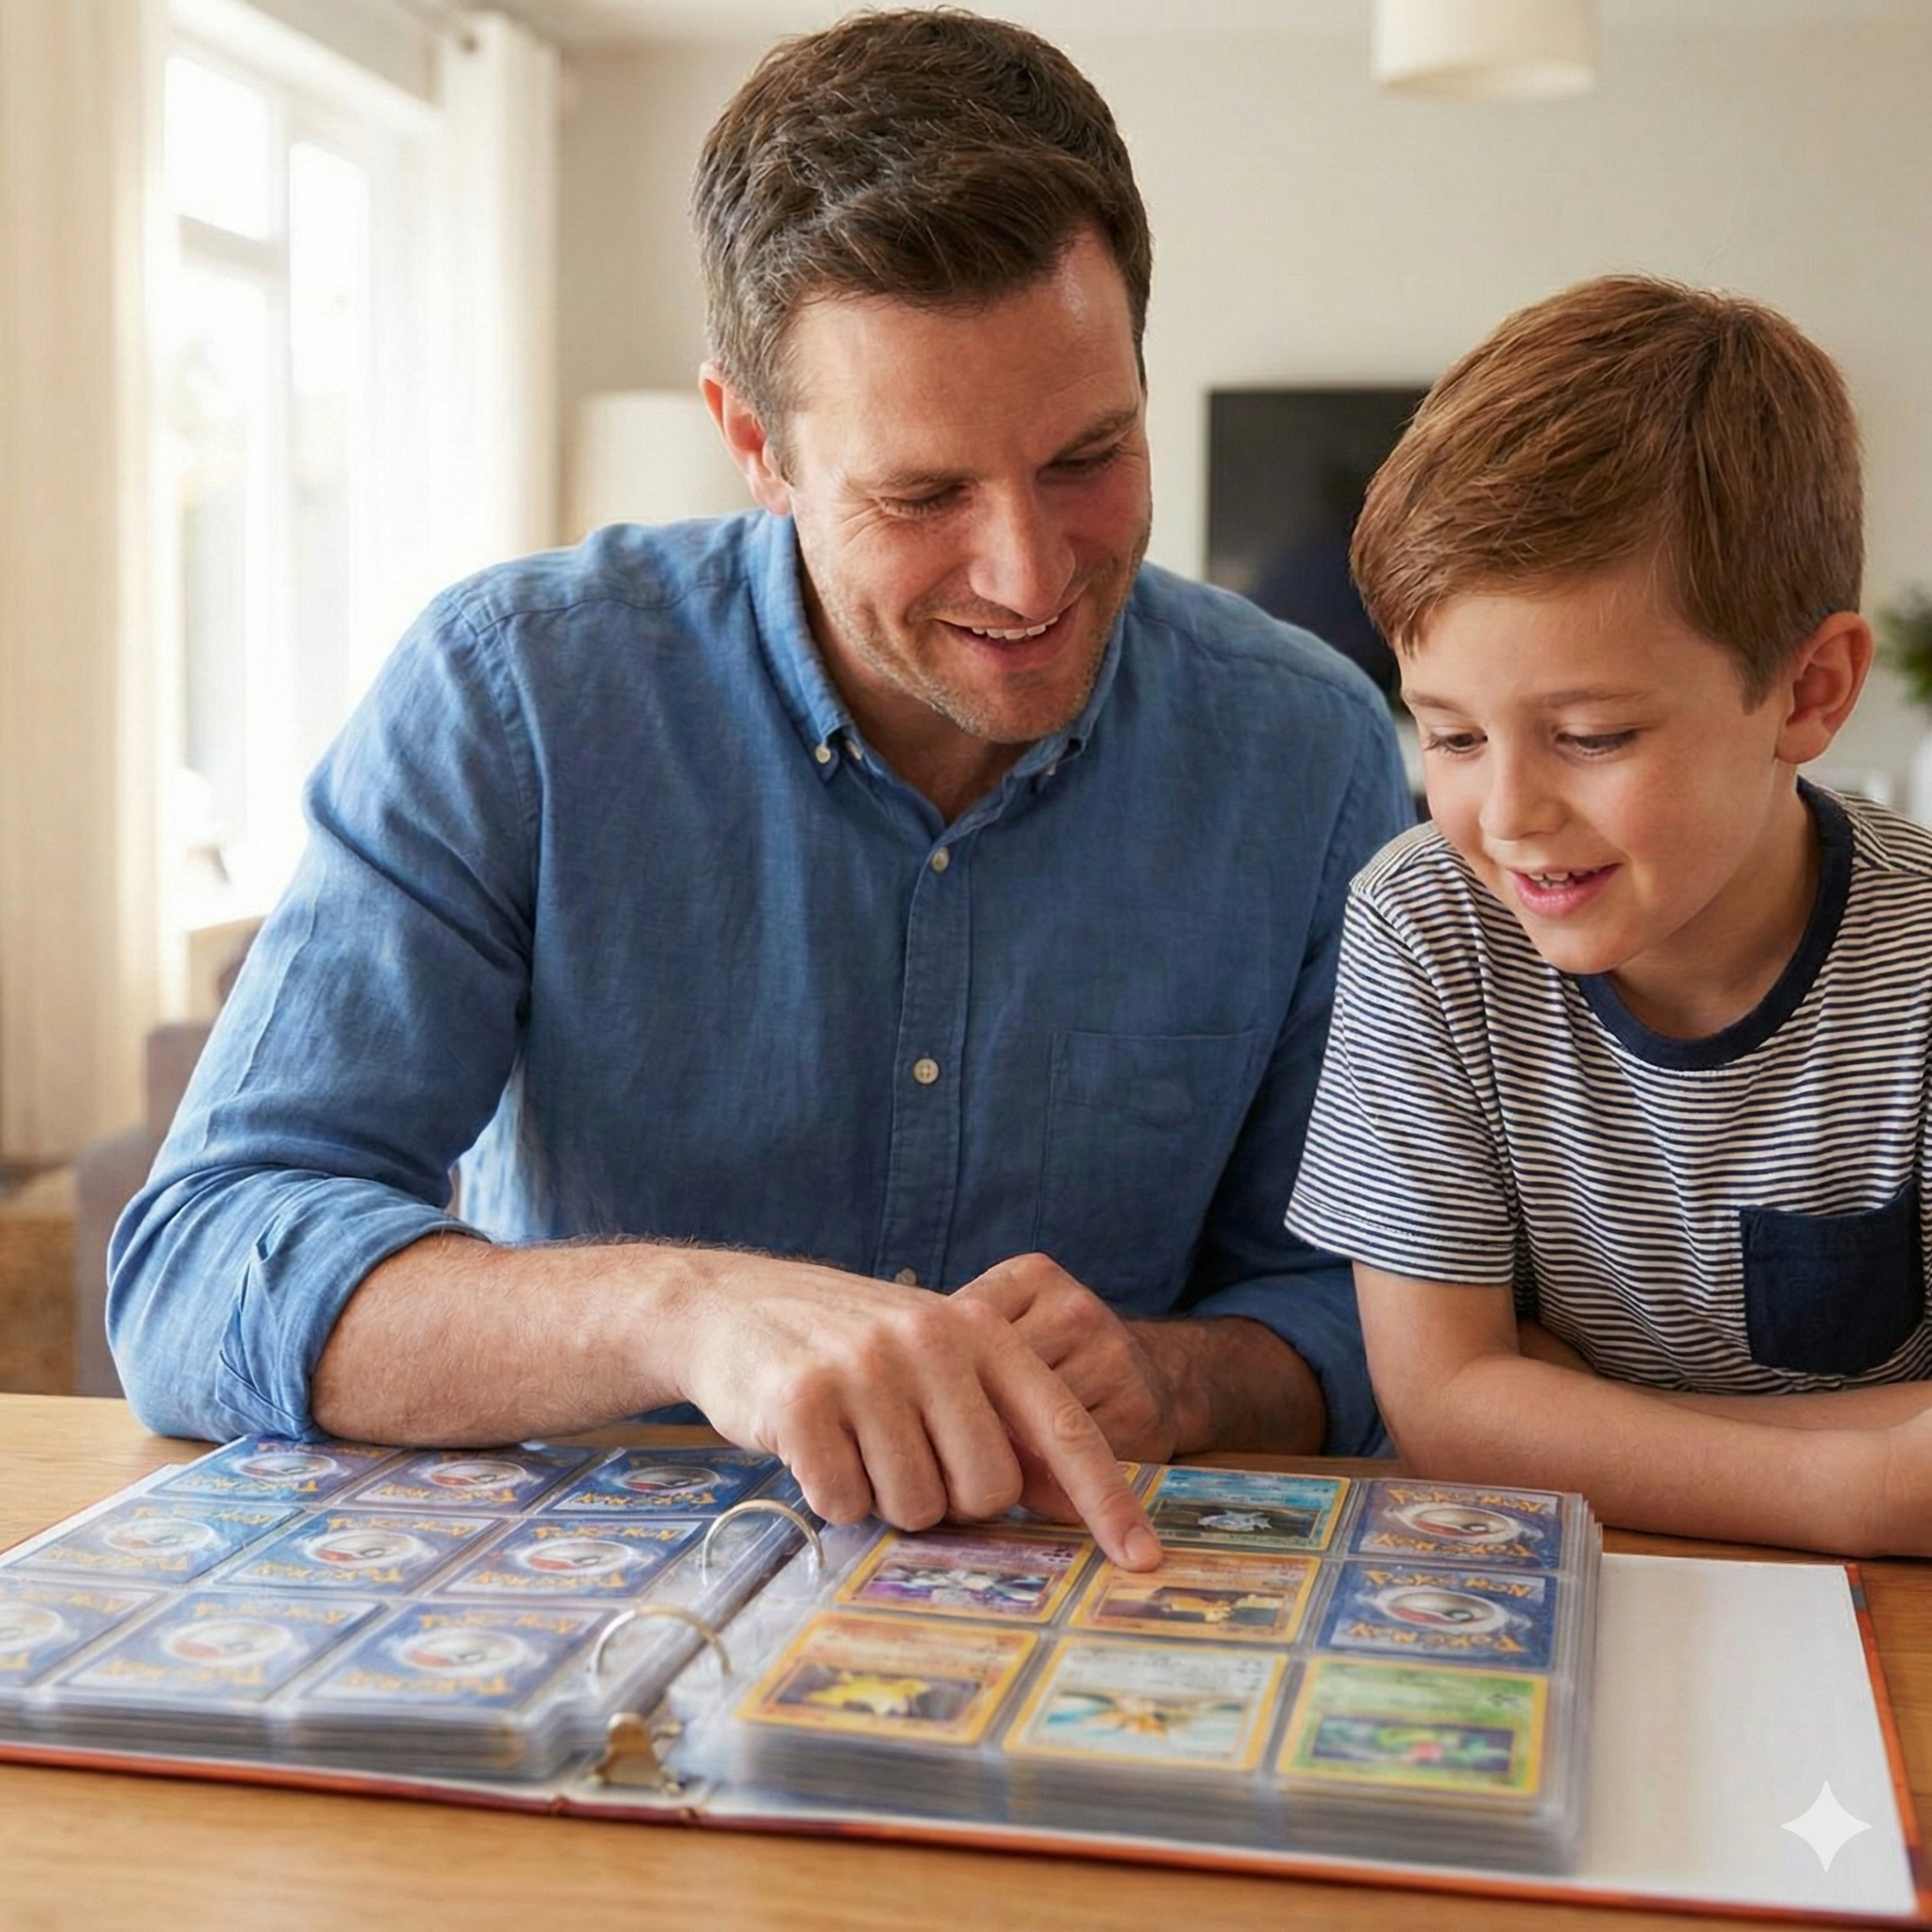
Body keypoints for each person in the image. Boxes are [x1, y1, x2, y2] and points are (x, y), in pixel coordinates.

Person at [109, 10, 1410, 1567]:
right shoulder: (510, 694)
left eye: (1088, 453)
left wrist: (1171, 1373)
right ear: (754, 442)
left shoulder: (1313, 752)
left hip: (1094, 1638)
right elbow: (198, 1268)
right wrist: (690, 1313)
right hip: (580, 1649)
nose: (1029, 568)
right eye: (923, 492)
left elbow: (1351, 1303)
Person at [1286, 274, 1932, 1557]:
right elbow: (1448, 1413)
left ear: (1809, 692)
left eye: (1590, 736)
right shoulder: (1423, 928)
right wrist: (1863, 1484)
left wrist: (1571, 1411)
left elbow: (1496, 1408)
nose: (1509, 815)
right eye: (1454, 735)